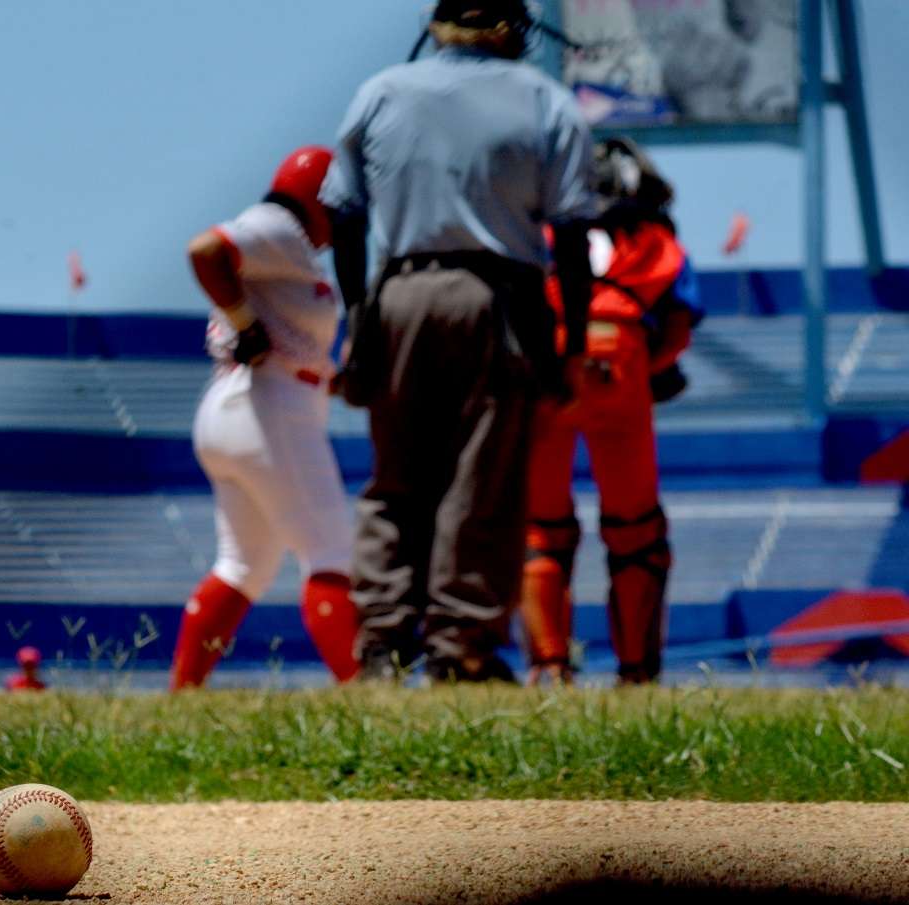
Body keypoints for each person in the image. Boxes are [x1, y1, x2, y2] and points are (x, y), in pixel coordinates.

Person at [321, 0, 596, 683]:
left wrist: (359, 317)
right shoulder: (544, 99)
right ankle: (460, 644)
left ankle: (382, 642)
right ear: (511, 30)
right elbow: (570, 233)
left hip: (399, 293)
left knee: (395, 479)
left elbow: (342, 211)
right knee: (482, 481)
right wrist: (571, 343)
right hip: (496, 297)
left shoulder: (381, 90)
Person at [169, 146, 361, 691]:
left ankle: (182, 694)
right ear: (321, 199)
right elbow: (207, 250)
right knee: (330, 551)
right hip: (268, 404)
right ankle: (363, 688)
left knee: (243, 566)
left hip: (241, 403)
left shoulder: (291, 245)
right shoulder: (278, 226)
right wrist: (243, 322)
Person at [518, 136, 703, 686]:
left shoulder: (539, 232)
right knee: (636, 526)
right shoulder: (653, 238)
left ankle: (548, 668)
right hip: (619, 359)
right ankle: (637, 673)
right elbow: (677, 328)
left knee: (541, 527)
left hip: (547, 360)